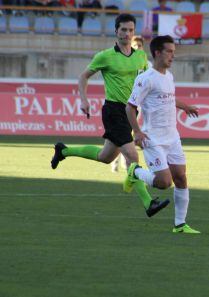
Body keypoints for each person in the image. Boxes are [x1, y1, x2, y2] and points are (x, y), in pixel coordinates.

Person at [51, 14, 170, 218]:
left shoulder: (140, 57)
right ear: (116, 31)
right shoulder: (105, 56)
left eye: (131, 30)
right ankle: (148, 202)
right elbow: (83, 77)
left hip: (131, 111)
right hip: (113, 111)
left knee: (106, 157)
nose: (127, 33)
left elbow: (145, 83)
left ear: (134, 33)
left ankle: (63, 151)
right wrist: (84, 100)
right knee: (132, 155)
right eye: (123, 29)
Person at [124, 35, 201, 234]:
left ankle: (180, 225)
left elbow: (168, 99)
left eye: (174, 52)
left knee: (181, 178)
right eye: (169, 51)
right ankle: (135, 172)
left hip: (172, 136)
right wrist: (138, 132)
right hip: (153, 138)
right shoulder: (146, 79)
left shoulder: (169, 76)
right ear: (157, 52)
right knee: (164, 182)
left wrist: (185, 107)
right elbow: (130, 107)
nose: (172, 56)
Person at [111, 35, 151, 173]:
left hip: (136, 104)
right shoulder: (123, 61)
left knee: (129, 133)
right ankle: (121, 160)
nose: (137, 47)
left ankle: (121, 159)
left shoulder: (146, 63)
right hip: (123, 103)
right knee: (125, 133)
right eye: (135, 45)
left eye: (140, 45)